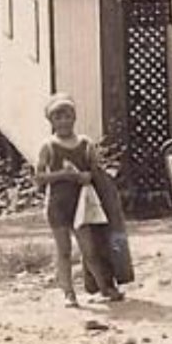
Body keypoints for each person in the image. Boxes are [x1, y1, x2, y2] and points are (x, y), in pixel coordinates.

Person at [34, 98, 122, 307]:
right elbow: (38, 177)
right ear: (51, 121)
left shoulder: (85, 143)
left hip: (82, 206)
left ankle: (105, 288)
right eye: (58, 117)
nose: (63, 121)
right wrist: (63, 174)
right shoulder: (48, 146)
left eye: (67, 116)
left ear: (74, 117)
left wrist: (86, 176)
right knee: (64, 250)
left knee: (88, 249)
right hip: (57, 205)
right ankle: (68, 293)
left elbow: (95, 170)